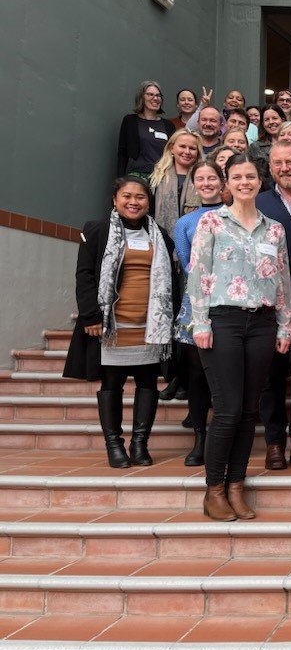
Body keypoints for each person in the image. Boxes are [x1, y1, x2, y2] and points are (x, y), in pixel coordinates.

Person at [187, 152, 291, 522]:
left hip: (262, 323)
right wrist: (199, 322)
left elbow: (282, 282)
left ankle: (236, 486)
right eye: (237, 177)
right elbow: (198, 272)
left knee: (249, 412)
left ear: (259, 181)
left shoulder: (274, 229)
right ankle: (213, 490)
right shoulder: (212, 223)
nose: (244, 182)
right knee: (228, 409)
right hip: (223, 321)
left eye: (250, 176)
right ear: (226, 183)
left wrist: (284, 325)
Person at [64, 176, 175, 468]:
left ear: (148, 203)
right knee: (112, 383)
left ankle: (140, 444)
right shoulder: (97, 231)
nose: (133, 202)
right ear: (115, 199)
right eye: (127, 196)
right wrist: (90, 315)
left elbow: (171, 279)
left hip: (150, 324)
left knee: (148, 382)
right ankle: (114, 445)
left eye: (140, 197)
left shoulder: (160, 235)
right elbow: (85, 276)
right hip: (112, 325)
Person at [172, 161, 227, 467]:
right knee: (196, 375)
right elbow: (186, 263)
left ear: (222, 182)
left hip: (229, 302)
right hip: (196, 305)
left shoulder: (232, 216)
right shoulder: (184, 224)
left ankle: (224, 435)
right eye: (200, 179)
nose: (206, 183)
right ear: (194, 184)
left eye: (212, 178)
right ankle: (200, 438)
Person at [255, 141, 291, 470]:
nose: (285, 168)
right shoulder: (258, 202)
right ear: (270, 168)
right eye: (278, 163)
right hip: (269, 304)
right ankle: (275, 441)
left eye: (290, 161)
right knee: (270, 375)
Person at [117, 81, 176, 179]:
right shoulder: (130, 121)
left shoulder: (168, 125)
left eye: (158, 95)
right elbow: (122, 153)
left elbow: (173, 154)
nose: (155, 98)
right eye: (150, 94)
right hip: (137, 176)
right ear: (141, 97)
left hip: (162, 177)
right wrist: (120, 180)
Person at [148, 129, 201, 236]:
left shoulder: (203, 179)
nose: (187, 152)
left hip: (194, 238)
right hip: (161, 239)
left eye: (192, 148)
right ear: (172, 148)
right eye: (182, 146)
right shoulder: (157, 177)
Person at [248, 103, 286, 187]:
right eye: (266, 120)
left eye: (275, 118)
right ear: (263, 124)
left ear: (282, 120)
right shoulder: (256, 147)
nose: (271, 122)